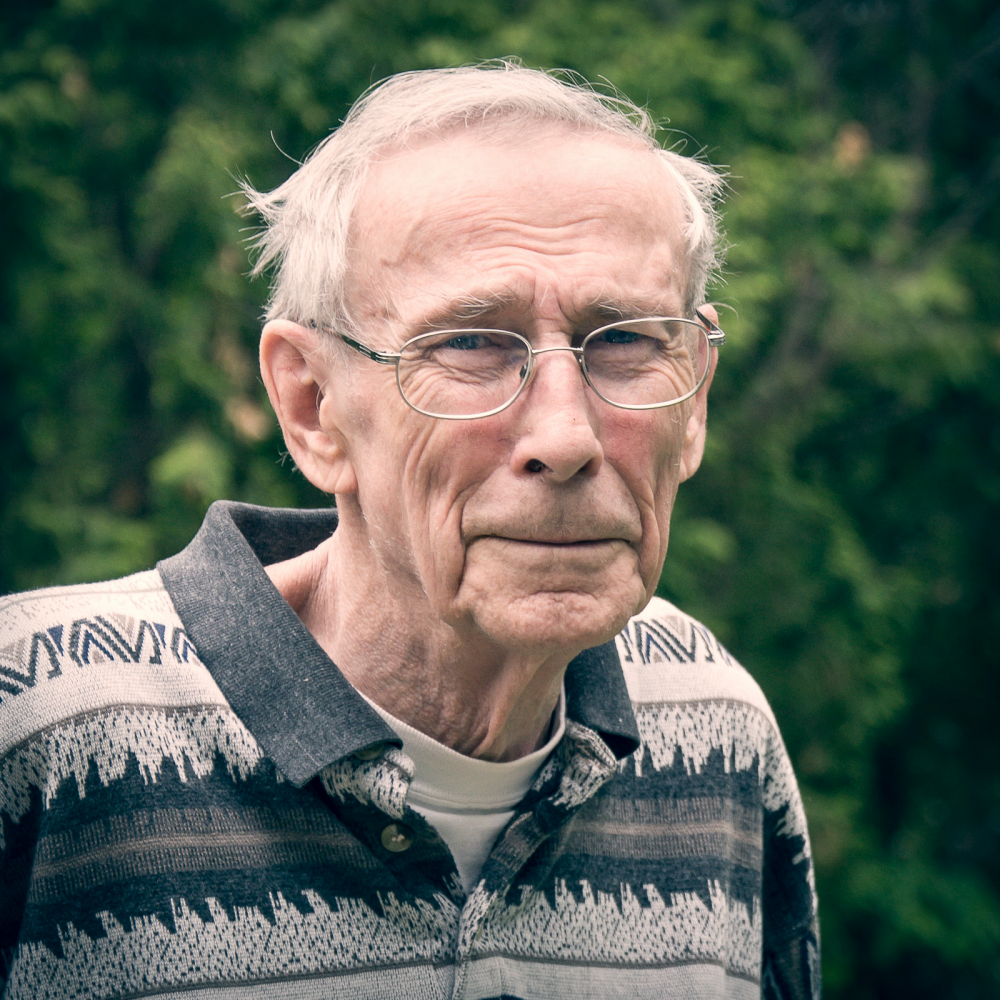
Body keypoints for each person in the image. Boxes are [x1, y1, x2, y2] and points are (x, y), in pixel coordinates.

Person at [0, 63, 819, 1000]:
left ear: (696, 396)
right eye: (470, 343)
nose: (565, 438)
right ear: (312, 406)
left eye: (626, 340)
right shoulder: (36, 720)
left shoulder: (716, 728)